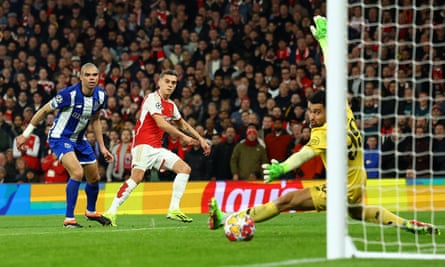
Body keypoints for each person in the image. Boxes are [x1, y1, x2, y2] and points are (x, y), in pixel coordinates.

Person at [208, 16, 440, 236]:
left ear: (327, 110)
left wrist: (282, 169)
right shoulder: (344, 109)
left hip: (342, 188)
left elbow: (304, 155)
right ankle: (406, 223)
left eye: (317, 112)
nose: (312, 116)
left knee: (286, 200)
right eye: (310, 111)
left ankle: (229, 218)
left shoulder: (326, 131)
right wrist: (324, 41)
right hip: (357, 181)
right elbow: (333, 71)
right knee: (357, 212)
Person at [105, 70, 211, 226]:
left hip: (156, 148)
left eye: (173, 83)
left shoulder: (171, 105)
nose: (170, 85)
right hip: (142, 146)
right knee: (137, 178)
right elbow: (161, 123)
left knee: (184, 169)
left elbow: (183, 124)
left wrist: (201, 139)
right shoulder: (152, 98)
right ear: (159, 82)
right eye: (167, 81)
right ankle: (111, 212)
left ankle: (174, 209)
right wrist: (183, 137)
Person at [16, 62, 114, 228]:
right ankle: (69, 219)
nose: (91, 78)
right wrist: (26, 134)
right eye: (88, 75)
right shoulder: (69, 94)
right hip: (60, 137)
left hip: (79, 139)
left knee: (94, 177)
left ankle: (90, 211)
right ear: (81, 77)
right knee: (77, 172)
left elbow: (96, 120)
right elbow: (44, 110)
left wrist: (103, 147)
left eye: (95, 75)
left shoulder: (101, 96)